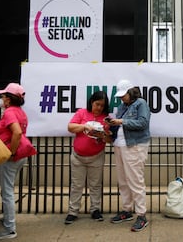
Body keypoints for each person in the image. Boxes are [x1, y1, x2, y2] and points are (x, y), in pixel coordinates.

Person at [108, 79, 151, 232]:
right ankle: (127, 210)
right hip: (120, 145)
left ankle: (141, 214)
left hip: (135, 145)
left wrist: (120, 121)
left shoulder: (141, 103)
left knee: (135, 180)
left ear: (131, 92)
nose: (122, 98)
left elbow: (143, 123)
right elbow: (119, 124)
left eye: (124, 95)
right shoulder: (121, 106)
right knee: (123, 180)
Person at [64, 90, 111, 225]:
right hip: (78, 156)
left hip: (96, 156)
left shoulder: (106, 118)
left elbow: (110, 139)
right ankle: (73, 211)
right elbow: (70, 127)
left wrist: (102, 135)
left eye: (102, 105)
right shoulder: (82, 113)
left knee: (95, 185)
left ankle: (95, 209)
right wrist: (84, 126)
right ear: (91, 102)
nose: (99, 108)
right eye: (97, 104)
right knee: (76, 185)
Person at [0, 83, 30, 240]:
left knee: (6, 192)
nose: (1, 99)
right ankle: (7, 218)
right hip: (20, 155)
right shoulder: (20, 112)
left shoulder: (9, 113)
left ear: (9, 99)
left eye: (3, 96)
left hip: (12, 157)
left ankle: (10, 228)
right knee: (7, 189)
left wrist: (10, 152)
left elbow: (17, 132)